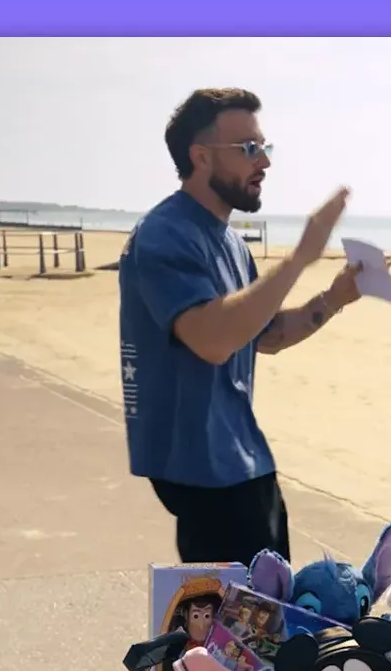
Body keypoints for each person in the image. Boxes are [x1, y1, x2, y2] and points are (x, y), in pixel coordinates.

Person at [118, 87, 367, 566]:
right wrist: (300, 257)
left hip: (243, 459)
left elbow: (265, 335)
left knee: (272, 606)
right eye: (249, 149)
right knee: (230, 614)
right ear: (201, 157)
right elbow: (213, 340)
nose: (264, 162)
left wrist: (334, 298)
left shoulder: (230, 243)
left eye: (264, 147)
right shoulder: (164, 235)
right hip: (200, 470)